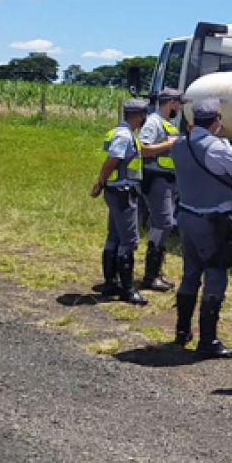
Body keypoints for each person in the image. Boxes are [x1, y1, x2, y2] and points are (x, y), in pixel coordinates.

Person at [170, 97, 232, 360]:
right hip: (214, 220)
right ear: (216, 121)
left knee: (190, 273)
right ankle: (208, 340)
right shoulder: (218, 148)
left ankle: (182, 332)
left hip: (187, 215)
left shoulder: (179, 145)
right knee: (215, 275)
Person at [90, 98, 149, 306]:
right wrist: (100, 182)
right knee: (129, 241)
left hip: (117, 191)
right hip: (123, 192)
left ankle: (110, 282)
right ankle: (127, 288)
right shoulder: (124, 136)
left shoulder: (119, 132)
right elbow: (112, 160)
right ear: (140, 116)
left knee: (114, 236)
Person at [138, 88, 182, 291]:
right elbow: (143, 148)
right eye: (178, 103)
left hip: (167, 180)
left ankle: (155, 272)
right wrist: (167, 144)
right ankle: (150, 275)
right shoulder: (153, 122)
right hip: (155, 180)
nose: (179, 107)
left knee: (165, 223)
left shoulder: (167, 123)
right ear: (170, 102)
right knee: (162, 224)